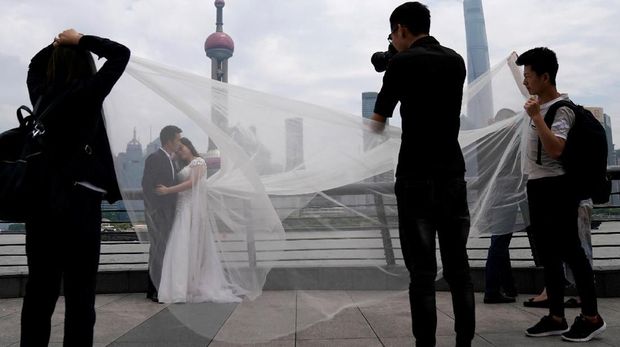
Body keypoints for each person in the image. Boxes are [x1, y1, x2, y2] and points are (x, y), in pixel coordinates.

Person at [369, 2, 475, 346]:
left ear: (400, 29)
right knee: (459, 270)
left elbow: (378, 120)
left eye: (393, 35)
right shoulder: (456, 61)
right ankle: (464, 342)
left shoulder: (401, 63)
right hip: (452, 173)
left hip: (415, 175)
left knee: (423, 274)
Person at [20, 29, 129, 346]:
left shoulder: (40, 94)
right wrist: (81, 40)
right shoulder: (88, 93)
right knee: (81, 297)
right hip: (80, 206)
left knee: (39, 294)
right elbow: (120, 54)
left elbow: (33, 66)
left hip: (40, 205)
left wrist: (54, 45)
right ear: (85, 65)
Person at [518, 47, 606, 342]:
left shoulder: (561, 109)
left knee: (571, 251)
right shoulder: (539, 106)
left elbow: (556, 148)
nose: (525, 81)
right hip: (538, 186)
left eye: (529, 75)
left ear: (545, 77)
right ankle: (556, 316)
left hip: (558, 188)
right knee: (549, 254)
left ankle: (591, 317)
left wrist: (536, 117)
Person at [155, 137, 243, 303]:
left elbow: (192, 182)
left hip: (192, 209)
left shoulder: (199, 162)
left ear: (189, 146)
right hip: (182, 209)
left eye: (182, 148)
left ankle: (186, 287)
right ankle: (179, 288)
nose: (180, 151)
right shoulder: (183, 165)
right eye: (177, 150)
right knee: (181, 246)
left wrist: (168, 190)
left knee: (188, 246)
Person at [141, 125, 182, 302]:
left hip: (169, 212)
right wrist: (155, 210)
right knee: (158, 251)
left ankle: (155, 289)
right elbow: (146, 185)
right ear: (169, 141)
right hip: (159, 213)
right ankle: (155, 290)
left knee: (163, 250)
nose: (179, 143)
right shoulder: (155, 158)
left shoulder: (170, 159)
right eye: (178, 140)